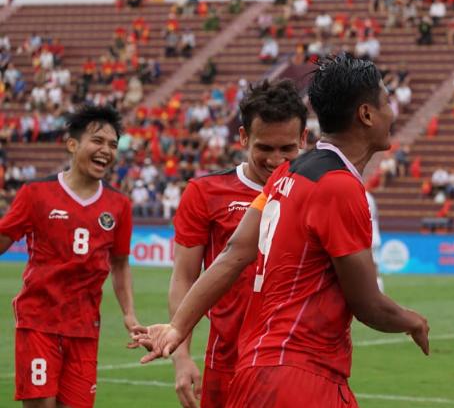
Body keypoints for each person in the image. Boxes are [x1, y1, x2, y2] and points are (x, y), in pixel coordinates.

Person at [134, 53, 430, 407]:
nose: (392, 113)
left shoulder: (285, 175)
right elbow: (366, 303)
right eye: (386, 103)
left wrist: (177, 326)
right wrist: (412, 321)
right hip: (302, 375)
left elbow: (234, 253)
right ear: (366, 115)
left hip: (255, 370)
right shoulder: (339, 187)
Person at [168, 79, 308, 408]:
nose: (276, 160)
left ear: (303, 139)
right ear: (244, 137)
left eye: (287, 148)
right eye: (265, 148)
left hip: (294, 363)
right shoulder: (205, 192)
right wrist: (182, 358)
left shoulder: (315, 192)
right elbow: (184, 278)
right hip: (227, 363)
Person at [0, 105, 139, 407]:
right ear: (72, 144)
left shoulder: (119, 205)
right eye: (98, 141)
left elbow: (120, 264)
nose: (106, 150)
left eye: (113, 145)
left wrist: (129, 313)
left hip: (85, 328)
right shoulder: (36, 193)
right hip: (38, 321)